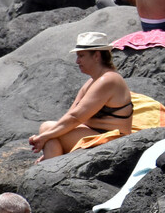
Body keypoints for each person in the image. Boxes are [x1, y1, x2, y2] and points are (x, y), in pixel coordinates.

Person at [28, 32, 135, 161]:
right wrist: (46, 139)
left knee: (48, 129)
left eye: (81, 56)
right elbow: (70, 115)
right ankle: (51, 164)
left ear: (96, 55)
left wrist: (44, 137)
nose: (77, 61)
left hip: (112, 141)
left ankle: (50, 168)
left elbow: (75, 118)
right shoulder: (92, 82)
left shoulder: (108, 80)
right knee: (48, 129)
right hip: (94, 134)